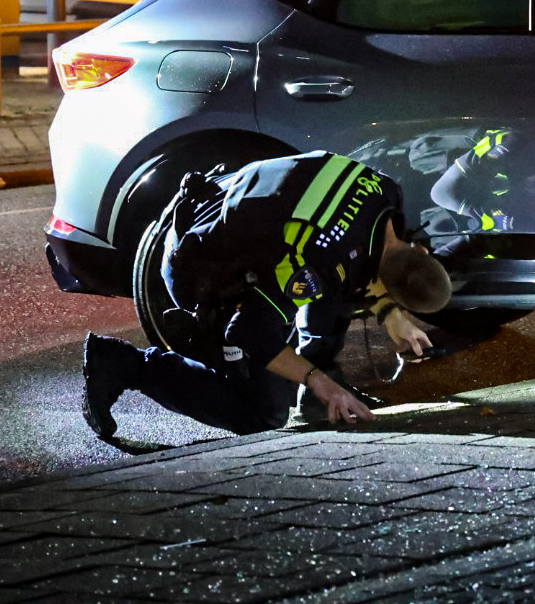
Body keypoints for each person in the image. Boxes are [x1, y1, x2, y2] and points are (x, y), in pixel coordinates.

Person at [81, 151, 453, 440]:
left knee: (340, 287)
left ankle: (317, 398)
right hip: (198, 264)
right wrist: (318, 382)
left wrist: (389, 311)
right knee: (262, 415)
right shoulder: (318, 257)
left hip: (229, 207)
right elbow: (249, 331)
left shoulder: (386, 193)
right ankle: (122, 363)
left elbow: (358, 262)